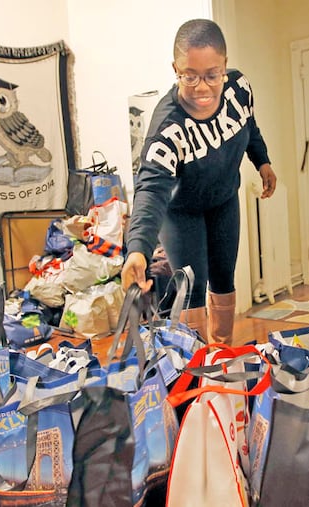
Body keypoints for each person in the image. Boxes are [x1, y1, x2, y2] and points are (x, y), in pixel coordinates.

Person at [121, 18, 276, 345]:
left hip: (223, 200)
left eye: (212, 75)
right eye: (189, 75)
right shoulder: (167, 127)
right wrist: (138, 250)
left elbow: (248, 127)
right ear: (175, 68)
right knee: (190, 288)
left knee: (223, 278)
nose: (202, 87)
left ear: (225, 67)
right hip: (181, 212)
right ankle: (193, 368)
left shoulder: (239, 89)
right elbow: (150, 189)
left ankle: (220, 357)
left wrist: (262, 162)